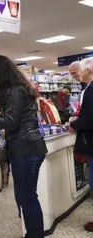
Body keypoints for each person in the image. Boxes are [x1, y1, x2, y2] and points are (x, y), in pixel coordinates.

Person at [0, 55, 48, 238]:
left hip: (25, 149)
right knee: (26, 196)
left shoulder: (14, 91)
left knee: (27, 198)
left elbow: (11, 122)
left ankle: (35, 235)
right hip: (30, 147)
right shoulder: (20, 89)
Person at [68, 58, 93, 232]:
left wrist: (73, 124)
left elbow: (88, 119)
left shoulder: (91, 90)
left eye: (81, 70)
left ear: (89, 70)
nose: (80, 73)